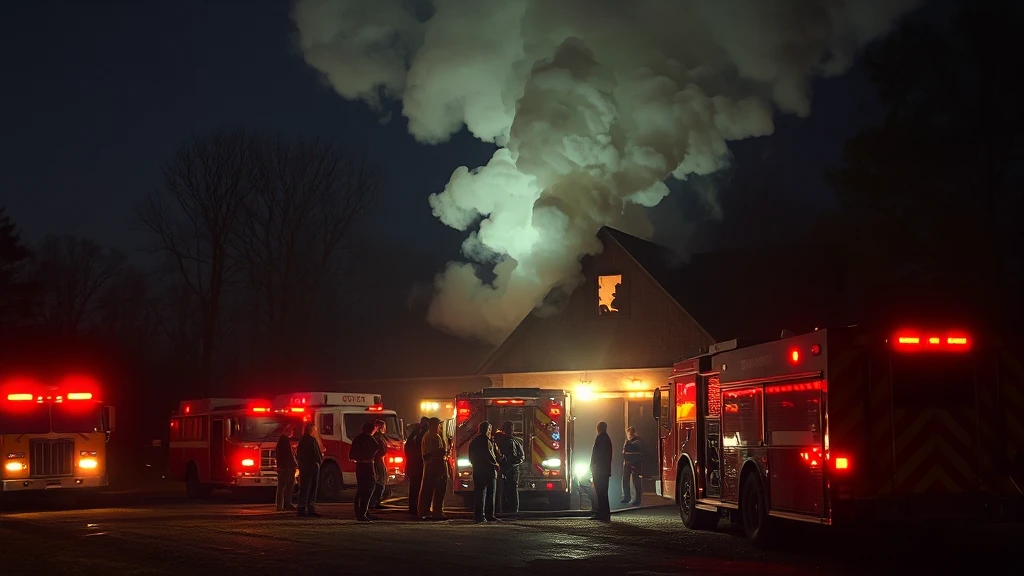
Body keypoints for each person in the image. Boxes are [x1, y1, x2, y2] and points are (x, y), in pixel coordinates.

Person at [468, 421, 500, 523]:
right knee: (490, 493)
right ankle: (489, 515)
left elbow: (471, 456)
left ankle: (479, 515)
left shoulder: (474, 440)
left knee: (479, 493)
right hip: (488, 471)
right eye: (490, 429)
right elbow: (489, 455)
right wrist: (496, 465)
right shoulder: (486, 441)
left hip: (477, 470)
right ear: (487, 429)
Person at [418, 417, 449, 520]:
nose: (440, 426)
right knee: (437, 490)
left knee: (429, 489)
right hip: (435, 466)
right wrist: (444, 451)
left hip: (432, 466)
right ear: (434, 425)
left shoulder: (430, 435)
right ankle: (435, 512)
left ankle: (426, 511)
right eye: (438, 424)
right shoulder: (433, 436)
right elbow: (434, 452)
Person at [350, 421, 380, 521]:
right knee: (369, 488)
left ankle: (361, 512)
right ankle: (363, 512)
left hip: (359, 466)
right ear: (372, 430)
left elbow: (351, 455)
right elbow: (379, 449)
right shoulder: (371, 440)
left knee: (361, 489)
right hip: (368, 466)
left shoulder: (357, 439)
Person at [493, 420, 524, 513]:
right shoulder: (498, 440)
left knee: (512, 490)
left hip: (511, 469)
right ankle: (502, 510)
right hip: (502, 468)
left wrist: (512, 464)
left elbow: (521, 456)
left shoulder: (515, 441)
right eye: (508, 428)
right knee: (501, 490)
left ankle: (512, 510)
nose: (510, 430)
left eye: (511, 428)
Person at [296, 422, 322, 517]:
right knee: (309, 487)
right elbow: (315, 453)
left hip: (307, 466)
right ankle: (306, 507)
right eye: (315, 429)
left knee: (307, 487)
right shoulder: (310, 440)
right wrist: (318, 461)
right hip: (311, 466)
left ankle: (305, 507)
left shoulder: (304, 440)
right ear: (311, 429)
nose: (316, 431)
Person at [405, 416, 429, 517]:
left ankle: (413, 508)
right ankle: (417, 509)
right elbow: (422, 451)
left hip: (413, 465)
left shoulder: (414, 435)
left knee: (414, 488)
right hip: (418, 466)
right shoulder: (422, 435)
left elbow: (407, 448)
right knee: (418, 488)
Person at [590, 421, 613, 522]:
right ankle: (605, 513)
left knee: (600, 493)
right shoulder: (607, 439)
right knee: (603, 493)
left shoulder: (600, 438)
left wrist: (592, 466)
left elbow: (596, 454)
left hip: (599, 470)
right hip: (604, 470)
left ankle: (601, 513)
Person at [275, 424, 297, 511]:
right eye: (291, 431)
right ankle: (285, 504)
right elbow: (289, 456)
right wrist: (295, 464)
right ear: (287, 431)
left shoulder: (282, 441)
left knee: (282, 486)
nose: (292, 433)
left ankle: (281, 504)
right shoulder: (285, 441)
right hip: (286, 468)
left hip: (282, 467)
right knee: (287, 486)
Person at [621, 426, 644, 506]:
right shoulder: (628, 441)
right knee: (625, 480)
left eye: (630, 434)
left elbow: (636, 449)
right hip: (627, 463)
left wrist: (628, 444)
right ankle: (626, 497)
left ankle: (638, 499)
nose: (629, 436)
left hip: (635, 464)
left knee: (636, 481)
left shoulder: (637, 441)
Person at [369, 419, 389, 509]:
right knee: (379, 481)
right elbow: (378, 449)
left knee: (381, 480)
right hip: (378, 461)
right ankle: (375, 501)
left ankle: (376, 501)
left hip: (381, 460)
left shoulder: (380, 437)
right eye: (382, 426)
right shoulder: (377, 437)